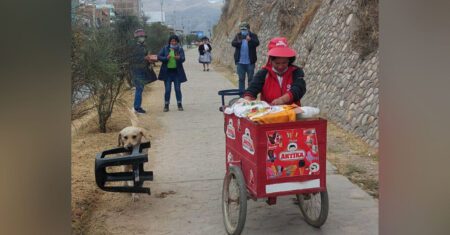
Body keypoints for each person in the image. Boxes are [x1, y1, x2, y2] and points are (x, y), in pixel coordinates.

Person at [243, 37, 306, 106]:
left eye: (284, 63)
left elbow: (299, 88)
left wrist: (283, 99)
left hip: (292, 113)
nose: (280, 66)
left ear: (289, 60)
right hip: (270, 113)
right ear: (271, 60)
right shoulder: (263, 73)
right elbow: (252, 89)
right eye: (277, 63)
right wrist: (247, 99)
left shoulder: (296, 72)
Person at [157, 35, 187, 112]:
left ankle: (179, 104)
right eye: (172, 41)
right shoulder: (165, 48)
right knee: (167, 90)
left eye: (175, 41)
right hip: (167, 73)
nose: (173, 42)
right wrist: (166, 58)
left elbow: (183, 58)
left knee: (177, 89)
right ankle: (166, 105)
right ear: (169, 41)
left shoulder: (180, 49)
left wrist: (179, 58)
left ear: (177, 42)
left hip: (177, 73)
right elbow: (159, 56)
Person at [231, 21, 260, 93]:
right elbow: (233, 43)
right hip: (240, 62)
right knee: (241, 79)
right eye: (242, 29)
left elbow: (257, 43)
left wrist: (250, 40)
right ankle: (241, 95)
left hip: (250, 62)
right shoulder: (238, 35)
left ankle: (250, 94)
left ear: (248, 29)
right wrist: (239, 41)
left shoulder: (253, 35)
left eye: (245, 29)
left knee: (250, 79)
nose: (243, 31)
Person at [130, 29, 151, 114]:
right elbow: (133, 59)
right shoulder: (134, 47)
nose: (142, 38)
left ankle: (137, 106)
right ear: (136, 38)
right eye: (140, 37)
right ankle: (137, 108)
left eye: (143, 36)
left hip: (142, 69)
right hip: (137, 70)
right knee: (139, 89)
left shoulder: (143, 46)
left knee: (140, 89)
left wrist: (149, 59)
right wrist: (144, 58)